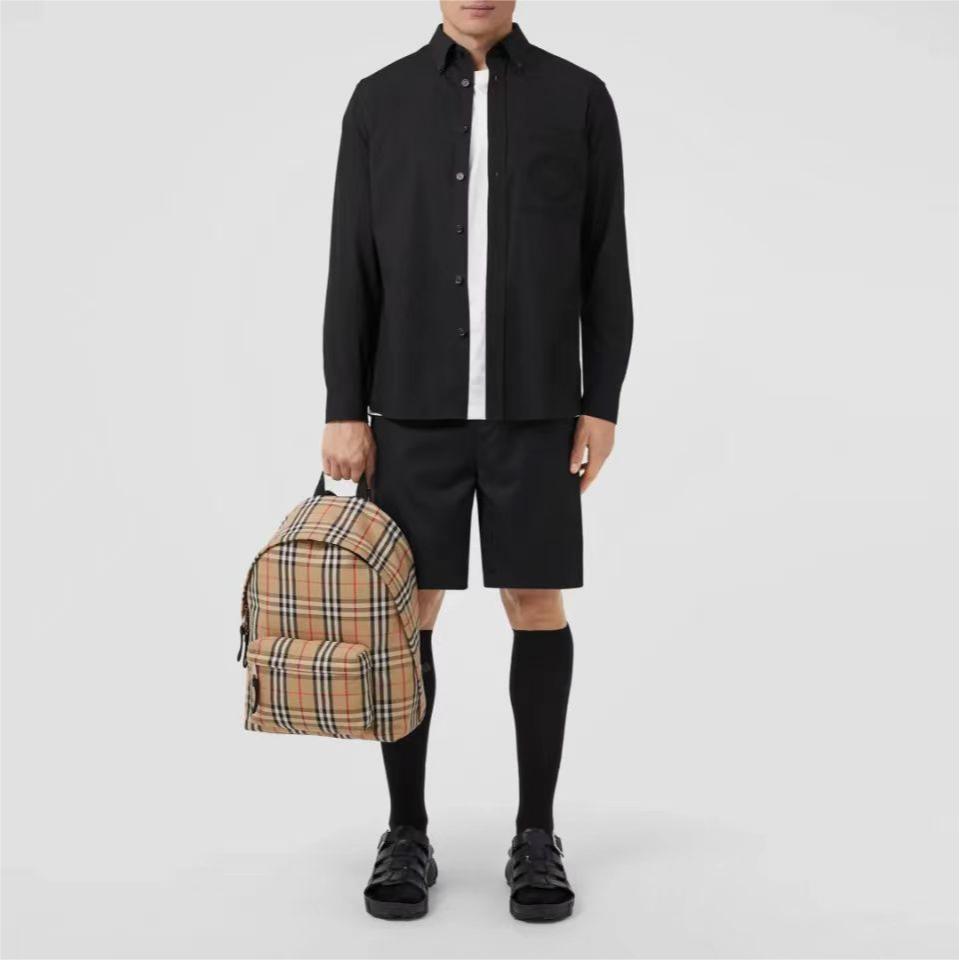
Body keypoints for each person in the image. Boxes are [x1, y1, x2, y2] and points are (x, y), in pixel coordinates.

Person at [321, 0, 632, 923]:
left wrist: (603, 400)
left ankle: (537, 834)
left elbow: (605, 257)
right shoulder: (379, 101)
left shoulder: (579, 99)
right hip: (412, 409)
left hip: (536, 410)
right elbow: (351, 262)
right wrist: (343, 405)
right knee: (408, 609)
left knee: (535, 603)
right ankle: (406, 832)